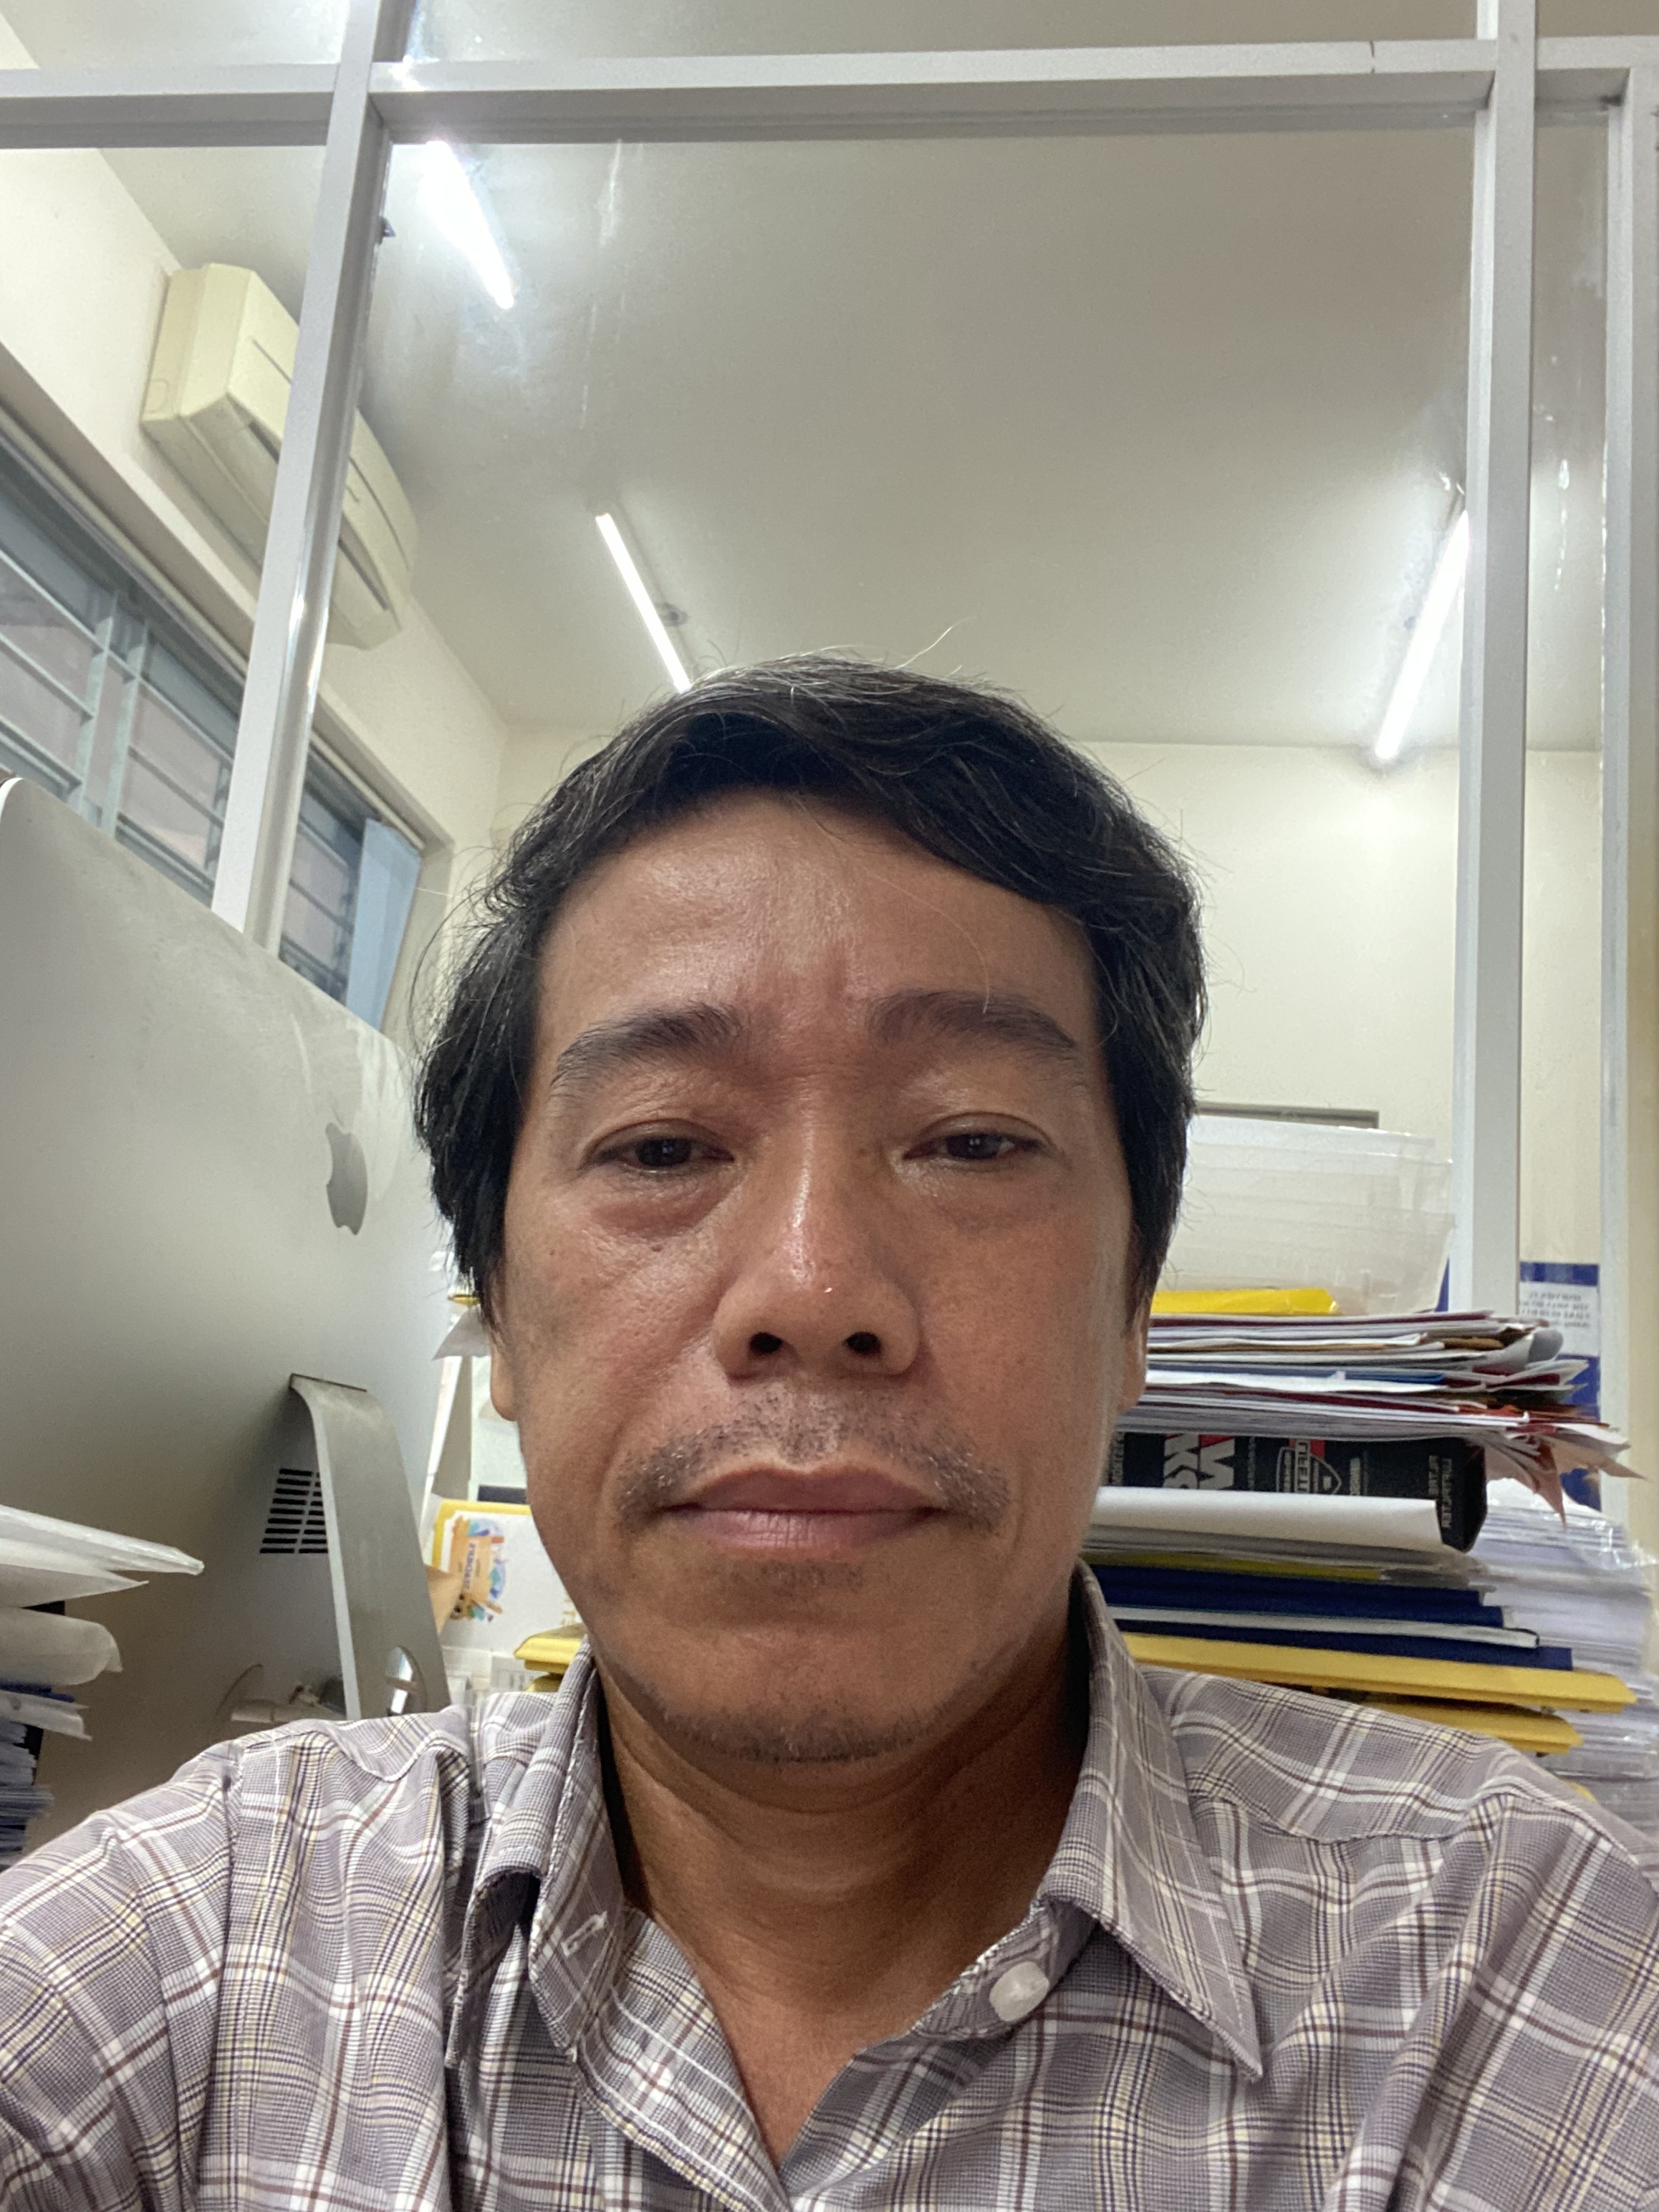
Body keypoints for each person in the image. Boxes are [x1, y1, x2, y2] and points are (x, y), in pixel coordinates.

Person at [1, 657, 1656, 2211]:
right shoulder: (211, 1932)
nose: (810, 1288)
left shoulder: (1527, 1974)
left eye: (971, 1139)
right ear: (495, 1309)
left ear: (1133, 1300)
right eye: (661, 1146)